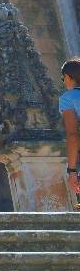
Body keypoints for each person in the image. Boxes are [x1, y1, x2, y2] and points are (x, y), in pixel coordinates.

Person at [59, 59, 80, 199]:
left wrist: (72, 170)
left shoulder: (68, 98)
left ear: (67, 76)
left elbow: (73, 134)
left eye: (63, 78)